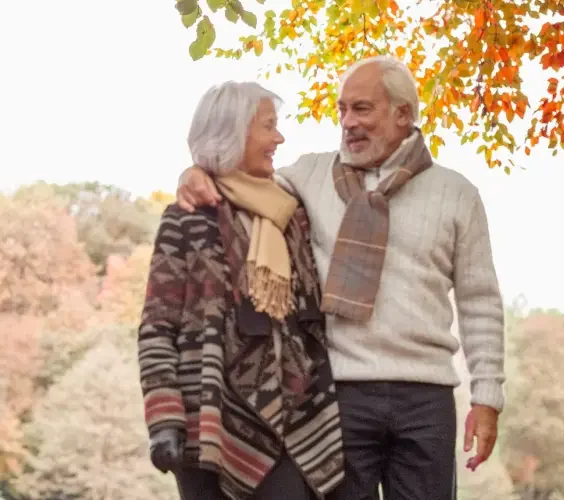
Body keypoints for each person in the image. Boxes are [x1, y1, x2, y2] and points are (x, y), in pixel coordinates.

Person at [175, 56, 506, 500]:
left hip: (427, 400)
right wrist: (194, 172)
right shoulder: (308, 176)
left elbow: (479, 301)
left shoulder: (456, 194)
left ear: (403, 114)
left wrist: (487, 398)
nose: (348, 123)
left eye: (362, 109)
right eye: (342, 110)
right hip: (339, 396)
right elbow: (241, 180)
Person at [137, 81, 345, 500]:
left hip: (291, 423)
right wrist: (164, 420)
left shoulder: (293, 212)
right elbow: (158, 327)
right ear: (233, 134)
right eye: (269, 127)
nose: (279, 138)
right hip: (206, 426)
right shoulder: (187, 218)